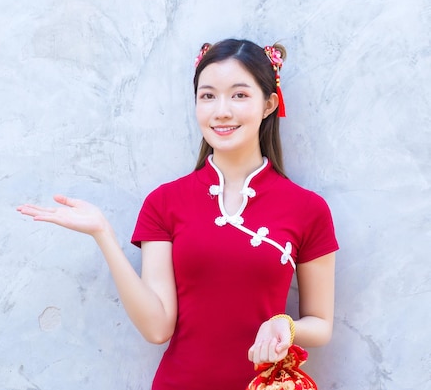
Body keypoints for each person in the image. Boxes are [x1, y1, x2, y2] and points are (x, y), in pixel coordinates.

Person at [17, 38, 338, 390]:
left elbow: (321, 324)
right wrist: (103, 235)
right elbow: (157, 328)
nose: (222, 111)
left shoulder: (308, 209)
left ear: (269, 105)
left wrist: (286, 325)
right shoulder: (164, 203)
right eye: (208, 95)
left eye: (240, 95)